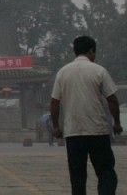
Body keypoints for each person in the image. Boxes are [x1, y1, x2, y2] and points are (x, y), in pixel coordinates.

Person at [51, 35, 123, 195]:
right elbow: (112, 100)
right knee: (105, 172)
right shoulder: (99, 71)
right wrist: (116, 123)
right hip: (98, 131)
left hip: (73, 133)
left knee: (77, 177)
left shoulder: (62, 73)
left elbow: (54, 102)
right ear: (91, 51)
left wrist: (56, 126)